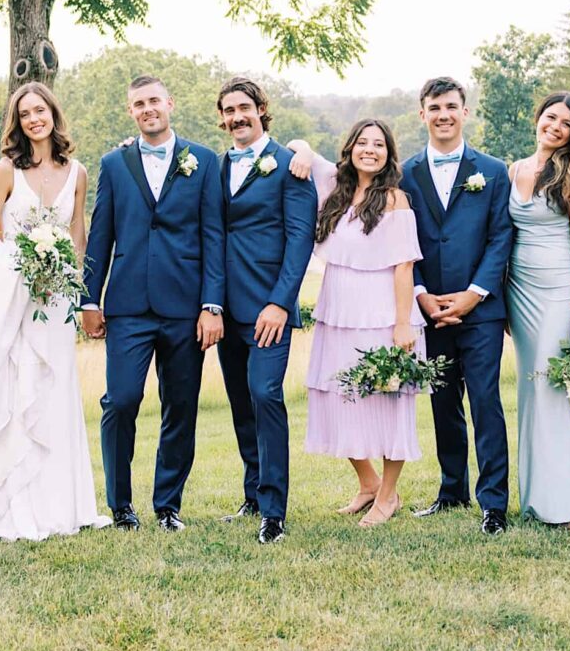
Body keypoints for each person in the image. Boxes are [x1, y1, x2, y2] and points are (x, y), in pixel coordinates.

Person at [0, 82, 110, 540]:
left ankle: (62, 506)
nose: (33, 119)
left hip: (57, 299)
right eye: (24, 113)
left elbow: (78, 238)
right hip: (15, 295)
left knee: (54, 391)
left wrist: (81, 292)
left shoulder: (79, 172)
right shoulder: (6, 171)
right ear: (17, 121)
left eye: (39, 110)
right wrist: (18, 263)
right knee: (19, 389)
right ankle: (15, 504)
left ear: (53, 114)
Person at [82, 75, 225, 534]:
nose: (148, 109)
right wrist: (89, 298)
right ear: (131, 112)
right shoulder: (114, 163)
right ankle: (121, 505)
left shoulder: (203, 161)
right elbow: (101, 233)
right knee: (120, 401)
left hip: (186, 306)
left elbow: (213, 237)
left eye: (154, 101)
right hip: (128, 305)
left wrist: (212, 305)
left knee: (180, 406)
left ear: (170, 103)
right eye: (138, 104)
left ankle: (168, 506)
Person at [287, 120, 424, 529]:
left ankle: (388, 495)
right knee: (337, 394)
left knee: (389, 400)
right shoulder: (334, 184)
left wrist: (403, 324)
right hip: (338, 308)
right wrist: (306, 149)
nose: (370, 150)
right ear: (349, 148)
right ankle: (368, 482)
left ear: (388, 153)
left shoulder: (395, 200)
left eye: (378, 144)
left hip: (383, 310)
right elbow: (295, 142)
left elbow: (404, 266)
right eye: (362, 143)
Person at [399, 77, 515, 535]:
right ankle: (452, 490)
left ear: (465, 112)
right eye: (434, 107)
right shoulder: (405, 173)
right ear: (422, 114)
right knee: (443, 401)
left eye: (451, 106)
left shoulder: (493, 170)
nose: (443, 114)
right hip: (429, 306)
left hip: (480, 309)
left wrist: (474, 293)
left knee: (486, 401)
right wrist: (421, 293)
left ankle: (494, 503)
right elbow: (401, 239)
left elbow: (501, 236)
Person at [214, 77, 316, 544]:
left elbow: (300, 240)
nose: (237, 116)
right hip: (224, 309)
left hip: (269, 308)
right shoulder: (215, 168)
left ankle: (273, 511)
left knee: (266, 395)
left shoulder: (290, 166)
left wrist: (280, 302)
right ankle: (253, 494)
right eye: (229, 110)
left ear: (261, 110)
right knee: (241, 403)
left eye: (244, 107)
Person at [506, 94, 570, 528]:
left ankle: (568, 505)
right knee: (530, 392)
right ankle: (541, 497)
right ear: (538, 120)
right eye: (551, 117)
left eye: (566, 123)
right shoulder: (514, 170)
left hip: (559, 288)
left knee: (548, 387)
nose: (556, 127)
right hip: (519, 290)